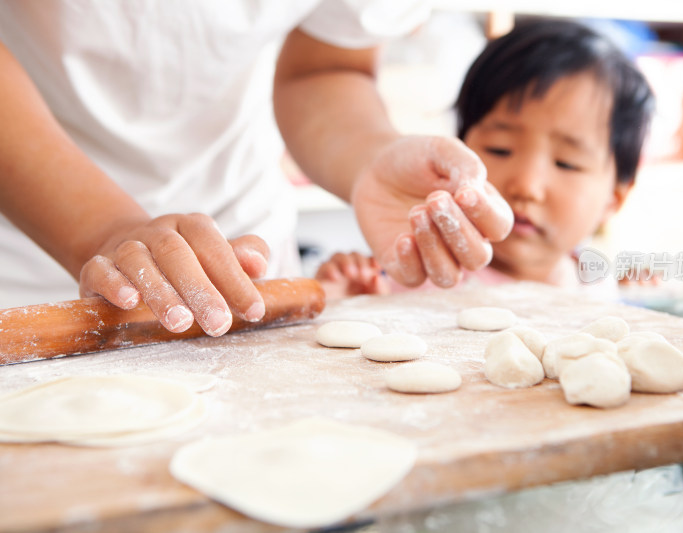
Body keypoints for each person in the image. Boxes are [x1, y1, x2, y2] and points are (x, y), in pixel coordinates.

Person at [0, 1, 513, 335]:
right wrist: (104, 228)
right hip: (29, 270)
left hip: (245, 264)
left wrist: (367, 156)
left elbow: (324, 66)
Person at [316, 18, 655, 299]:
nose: (526, 186)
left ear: (614, 197)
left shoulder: (593, 282)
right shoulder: (426, 274)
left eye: (567, 163)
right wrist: (355, 297)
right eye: (500, 149)